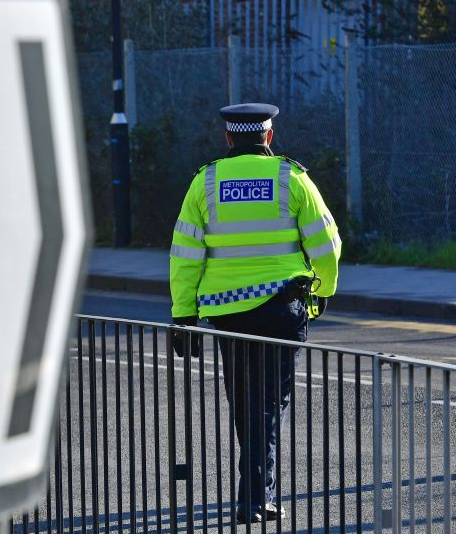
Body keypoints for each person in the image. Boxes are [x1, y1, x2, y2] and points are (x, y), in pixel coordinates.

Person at [168, 103, 341, 523]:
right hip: (283, 307)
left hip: (228, 314)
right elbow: (326, 243)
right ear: (268, 136)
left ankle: (254, 491)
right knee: (268, 403)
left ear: (229, 138)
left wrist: (183, 316)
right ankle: (253, 497)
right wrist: (324, 294)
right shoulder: (292, 178)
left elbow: (185, 256)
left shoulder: (205, 182)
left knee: (246, 402)